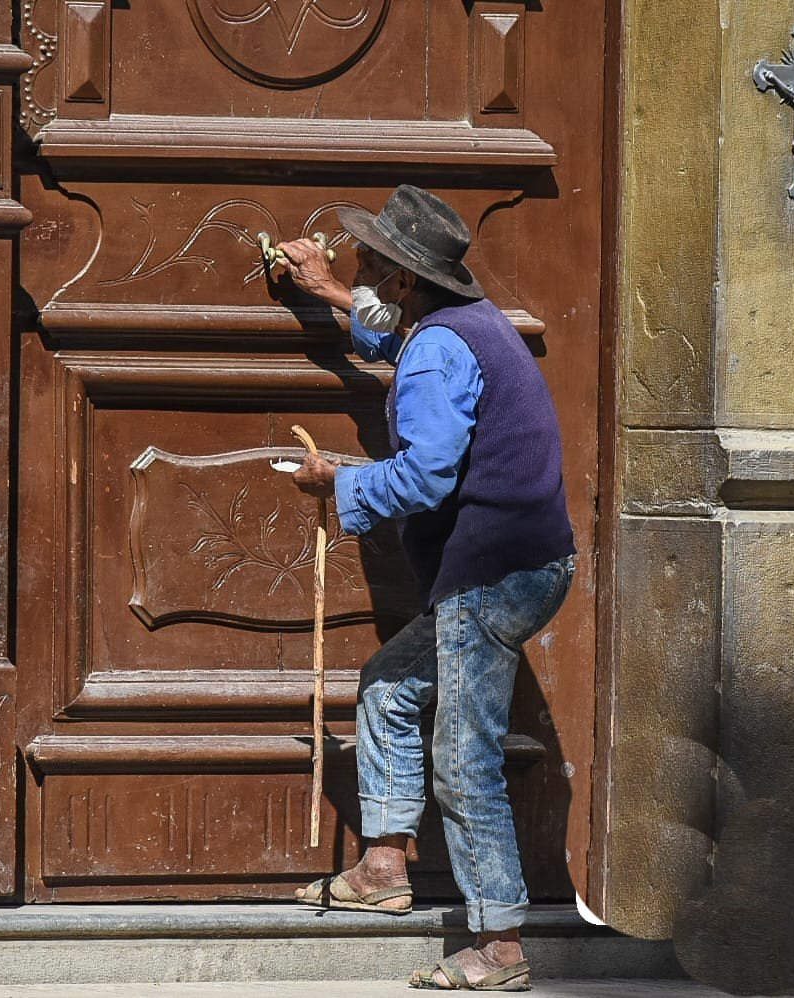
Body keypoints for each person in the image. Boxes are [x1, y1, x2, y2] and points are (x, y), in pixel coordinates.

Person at [278, 185, 575, 992]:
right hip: (522, 566)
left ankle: (500, 947)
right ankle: (382, 866)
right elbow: (393, 337)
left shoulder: (437, 349)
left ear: (404, 280)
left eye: (366, 266)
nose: (359, 275)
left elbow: (427, 474)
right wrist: (327, 292)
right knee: (388, 684)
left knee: (463, 759)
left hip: (492, 576)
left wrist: (337, 483)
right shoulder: (460, 325)